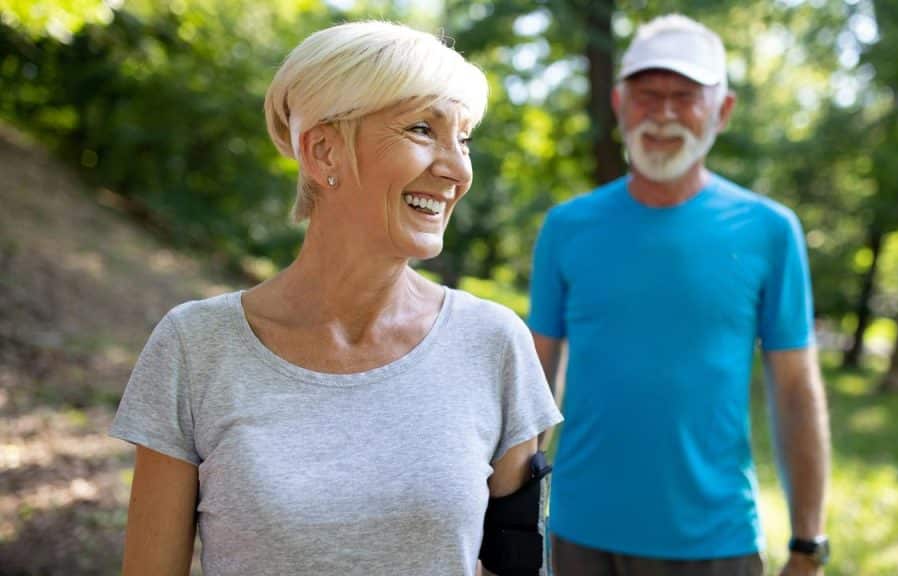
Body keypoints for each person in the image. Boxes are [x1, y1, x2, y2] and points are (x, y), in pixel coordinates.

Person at [110, 21, 562, 576]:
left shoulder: (495, 343)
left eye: (463, 139)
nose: (457, 168)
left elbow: (516, 566)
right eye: (423, 129)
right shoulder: (195, 346)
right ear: (322, 151)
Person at [528, 14, 831, 576]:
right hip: (576, 537)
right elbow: (535, 382)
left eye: (685, 96)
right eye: (647, 95)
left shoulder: (770, 230)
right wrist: (512, 525)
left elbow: (795, 391)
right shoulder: (566, 227)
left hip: (715, 543)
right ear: (619, 104)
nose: (663, 114)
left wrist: (809, 543)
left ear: (723, 110)